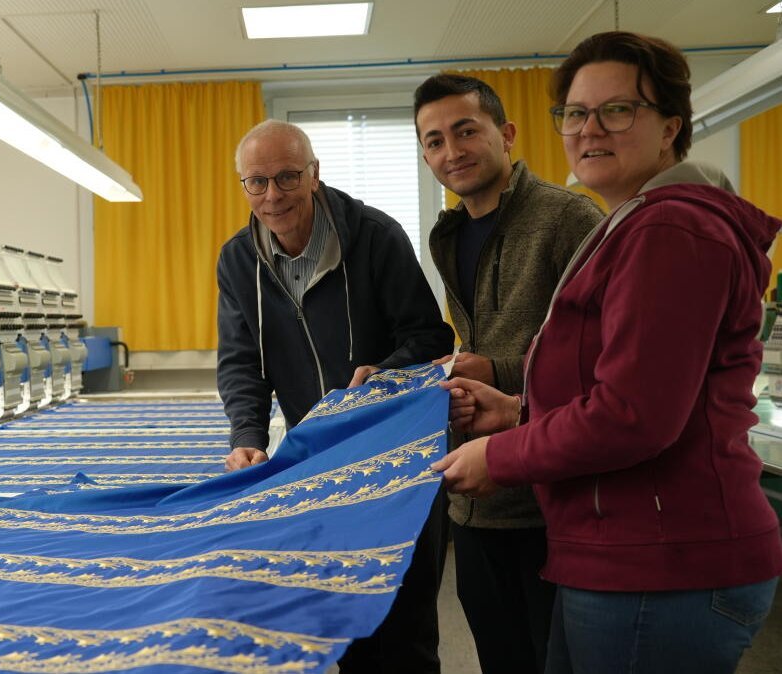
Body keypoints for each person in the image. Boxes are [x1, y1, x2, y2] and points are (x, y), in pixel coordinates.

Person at [433, 31, 782, 674]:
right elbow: (617, 386)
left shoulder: (671, 230)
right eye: (575, 112)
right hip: (620, 550)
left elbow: (632, 415)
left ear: (670, 126)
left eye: (617, 110)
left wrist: (502, 455)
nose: (589, 129)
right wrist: (514, 412)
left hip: (663, 561)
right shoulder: (637, 224)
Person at [217, 119, 454, 672]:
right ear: (243, 185)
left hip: (397, 456)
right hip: (320, 463)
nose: (272, 195)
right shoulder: (238, 260)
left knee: (404, 625)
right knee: (337, 616)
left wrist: (385, 375)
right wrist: (248, 436)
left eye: (287, 177)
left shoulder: (374, 236)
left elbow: (429, 337)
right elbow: (242, 362)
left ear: (314, 174)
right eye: (257, 182)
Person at [413, 74, 603, 674]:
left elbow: (604, 360)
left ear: (507, 133)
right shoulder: (447, 236)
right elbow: (477, 343)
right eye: (435, 141)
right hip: (475, 500)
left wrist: (495, 370)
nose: (452, 151)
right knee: (501, 658)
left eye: (466, 131)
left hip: (550, 504)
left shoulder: (568, 218)